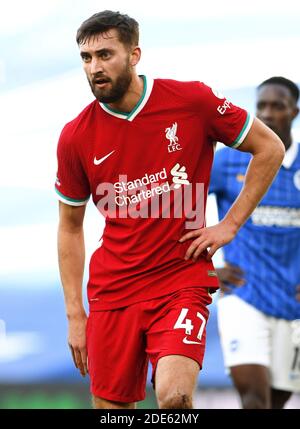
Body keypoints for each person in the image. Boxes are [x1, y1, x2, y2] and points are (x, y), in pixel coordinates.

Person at [55, 11, 284, 410]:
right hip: (113, 293)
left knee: (175, 400)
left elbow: (270, 148)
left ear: (134, 54)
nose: (95, 68)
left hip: (181, 279)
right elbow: (70, 228)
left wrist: (229, 226)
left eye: (105, 55)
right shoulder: (76, 136)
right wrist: (76, 315)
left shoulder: (191, 102)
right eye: (86, 58)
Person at [210, 76, 300, 409]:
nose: (267, 113)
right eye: (261, 105)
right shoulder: (229, 160)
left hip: (293, 304)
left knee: (275, 403)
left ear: (295, 112)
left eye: (278, 106)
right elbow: (180, 205)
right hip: (242, 296)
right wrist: (203, 269)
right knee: (253, 399)